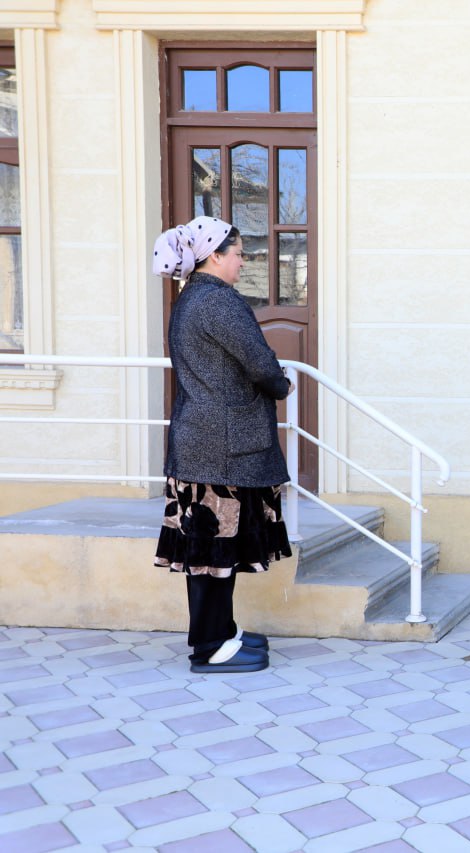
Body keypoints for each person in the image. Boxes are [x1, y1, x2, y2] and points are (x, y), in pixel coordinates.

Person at [152, 216, 293, 674]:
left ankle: (222, 634)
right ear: (215, 256)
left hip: (206, 443)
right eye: (238, 253)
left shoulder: (193, 297)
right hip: (220, 448)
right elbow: (260, 362)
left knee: (213, 553)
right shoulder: (217, 301)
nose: (243, 261)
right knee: (212, 554)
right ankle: (210, 646)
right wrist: (281, 384)